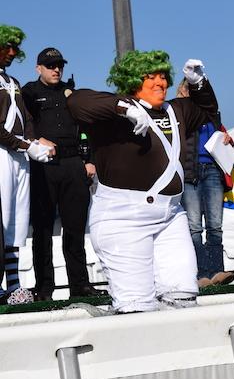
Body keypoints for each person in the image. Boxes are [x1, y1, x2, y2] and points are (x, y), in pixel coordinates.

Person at [67, 50, 219, 312]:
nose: (160, 82)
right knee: (138, 308)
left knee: (183, 300)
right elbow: (76, 102)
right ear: (132, 80)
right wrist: (123, 108)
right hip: (122, 219)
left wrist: (199, 83)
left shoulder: (177, 110)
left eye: (163, 76)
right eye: (151, 77)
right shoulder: (112, 111)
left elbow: (208, 110)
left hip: (170, 216)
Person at [21, 48, 105, 301]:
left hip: (72, 164)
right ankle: (44, 289)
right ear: (38, 69)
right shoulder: (29, 92)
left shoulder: (72, 93)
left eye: (59, 65)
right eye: (50, 66)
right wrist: (35, 138)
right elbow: (21, 122)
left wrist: (89, 160)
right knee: (43, 230)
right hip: (43, 166)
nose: (56, 70)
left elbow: (86, 127)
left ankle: (80, 286)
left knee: (75, 228)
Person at [0, 26, 54, 305]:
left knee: (16, 222)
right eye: (6, 47)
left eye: (14, 48)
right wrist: (25, 145)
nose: (12, 53)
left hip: (18, 157)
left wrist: (33, 143)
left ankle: (14, 285)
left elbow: (26, 120)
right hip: (1, 153)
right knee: (2, 217)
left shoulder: (13, 81)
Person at [176, 79, 234, 287]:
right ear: (182, 91)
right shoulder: (179, 113)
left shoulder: (211, 112)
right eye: (188, 89)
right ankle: (201, 273)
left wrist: (228, 138)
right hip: (190, 172)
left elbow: (223, 136)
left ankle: (216, 271)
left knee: (214, 226)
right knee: (194, 227)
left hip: (212, 169)